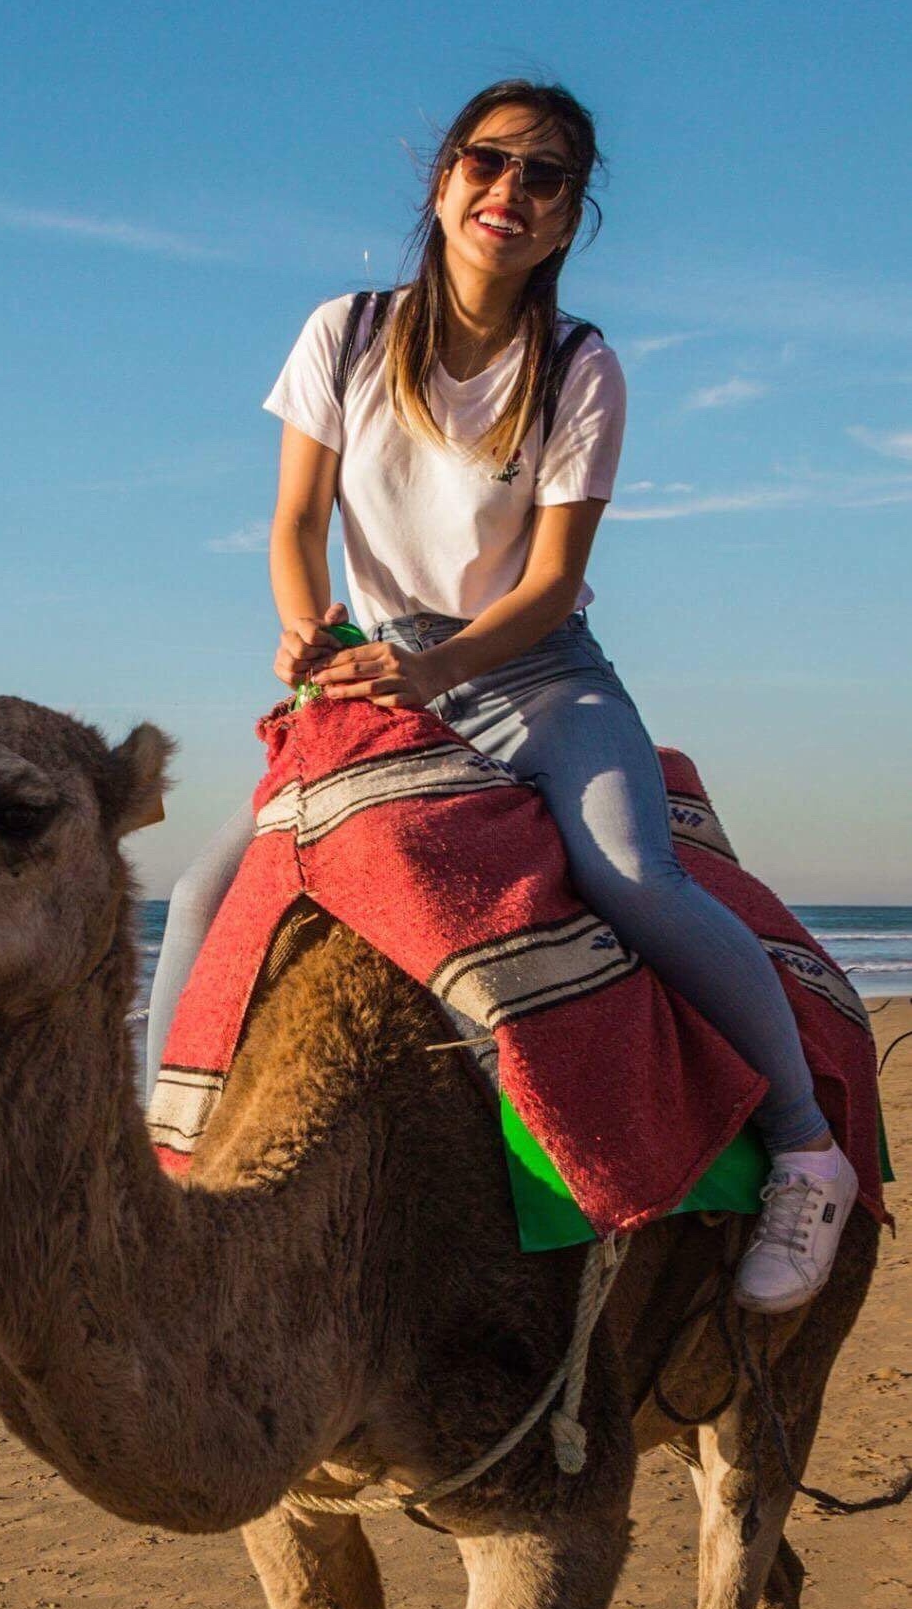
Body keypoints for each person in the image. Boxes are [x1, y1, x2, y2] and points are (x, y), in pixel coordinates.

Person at [146, 79, 858, 1314]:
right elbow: (297, 521)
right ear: (442, 180)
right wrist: (304, 623)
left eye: (546, 179)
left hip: (534, 673)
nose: (510, 194)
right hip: (379, 671)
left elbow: (551, 584)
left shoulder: (580, 366)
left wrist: (435, 667)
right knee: (211, 890)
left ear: (572, 220)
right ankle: (160, 1174)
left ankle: (807, 1150)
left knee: (640, 880)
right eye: (490, 162)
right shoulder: (347, 332)